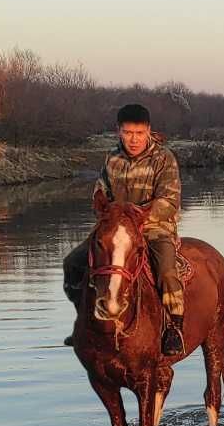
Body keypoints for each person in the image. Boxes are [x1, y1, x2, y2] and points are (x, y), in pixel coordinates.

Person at [63, 103, 186, 356]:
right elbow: (101, 192)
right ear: (119, 131)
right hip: (116, 230)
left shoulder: (164, 159)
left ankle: (175, 328)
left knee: (166, 272)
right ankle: (84, 321)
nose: (134, 139)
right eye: (128, 133)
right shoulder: (112, 158)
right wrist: (105, 211)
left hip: (155, 229)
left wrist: (136, 215)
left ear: (148, 131)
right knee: (73, 263)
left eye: (139, 133)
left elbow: (170, 202)